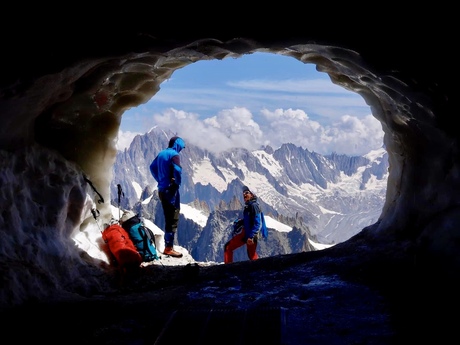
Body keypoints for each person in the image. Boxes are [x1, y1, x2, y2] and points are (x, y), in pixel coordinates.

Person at [149, 136, 186, 258]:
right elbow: (177, 169)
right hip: (171, 191)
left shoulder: (161, 153)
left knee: (167, 217)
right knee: (173, 218)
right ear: (177, 145)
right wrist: (176, 183)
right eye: (181, 147)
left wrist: (160, 179)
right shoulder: (174, 154)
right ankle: (169, 248)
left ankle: (168, 246)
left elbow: (152, 167)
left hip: (161, 189)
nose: (181, 149)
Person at [224, 185, 263, 264]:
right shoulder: (249, 206)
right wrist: (242, 222)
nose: (244, 194)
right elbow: (250, 219)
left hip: (250, 235)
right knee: (250, 255)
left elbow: (258, 223)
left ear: (252, 194)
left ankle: (227, 268)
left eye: (247, 192)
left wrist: (251, 236)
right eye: (243, 193)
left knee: (229, 247)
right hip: (246, 234)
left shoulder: (254, 206)